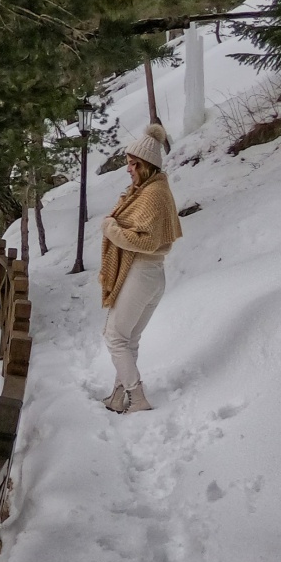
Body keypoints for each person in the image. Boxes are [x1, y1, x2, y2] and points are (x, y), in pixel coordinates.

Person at [99, 122, 183, 414]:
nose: (129, 169)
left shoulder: (153, 194)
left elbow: (144, 241)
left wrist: (110, 228)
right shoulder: (149, 191)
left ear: (146, 165)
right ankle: (118, 397)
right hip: (151, 274)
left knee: (115, 337)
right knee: (128, 339)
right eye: (128, 162)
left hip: (142, 272)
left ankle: (137, 398)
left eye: (133, 164)